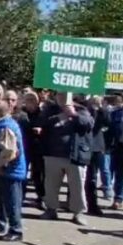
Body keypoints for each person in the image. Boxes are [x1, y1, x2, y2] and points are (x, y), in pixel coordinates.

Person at [40, 93, 94, 225]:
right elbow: (41, 123)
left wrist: (73, 114)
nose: (62, 98)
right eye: (60, 95)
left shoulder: (81, 110)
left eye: (65, 95)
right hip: (52, 154)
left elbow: (88, 124)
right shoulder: (50, 109)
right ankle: (51, 209)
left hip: (74, 155)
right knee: (51, 185)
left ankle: (78, 213)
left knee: (77, 187)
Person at [0, 99, 27, 242]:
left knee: (11, 202)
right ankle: (0, 225)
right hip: (1, 171)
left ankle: (16, 230)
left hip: (9, 171)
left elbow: (9, 151)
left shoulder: (6, 126)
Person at [84, 96, 110, 216]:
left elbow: (107, 122)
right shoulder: (84, 109)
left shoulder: (101, 112)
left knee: (92, 178)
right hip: (83, 146)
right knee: (80, 177)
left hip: (96, 148)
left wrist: (100, 108)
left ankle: (92, 205)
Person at [22, 91, 45, 208]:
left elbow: (47, 127)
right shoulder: (22, 114)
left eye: (33, 100)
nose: (30, 102)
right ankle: (20, 196)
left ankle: (41, 197)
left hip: (38, 147)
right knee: (22, 173)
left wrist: (42, 130)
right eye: (28, 100)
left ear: (37, 101)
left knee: (38, 174)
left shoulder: (43, 113)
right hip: (24, 147)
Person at [110, 95, 123, 210]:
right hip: (120, 147)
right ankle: (118, 199)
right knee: (119, 174)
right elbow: (110, 130)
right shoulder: (116, 113)